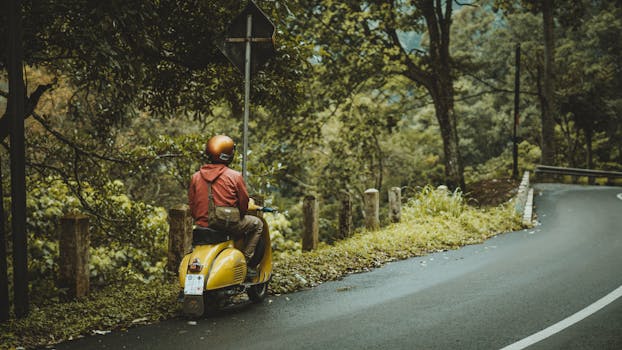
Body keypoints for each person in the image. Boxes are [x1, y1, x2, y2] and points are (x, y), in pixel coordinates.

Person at [188, 135, 263, 275]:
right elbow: (243, 205)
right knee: (257, 224)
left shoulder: (195, 177)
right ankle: (245, 262)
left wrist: (202, 218)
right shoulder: (234, 176)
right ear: (229, 155)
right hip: (226, 224)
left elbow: (192, 206)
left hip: (202, 226)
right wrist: (239, 214)